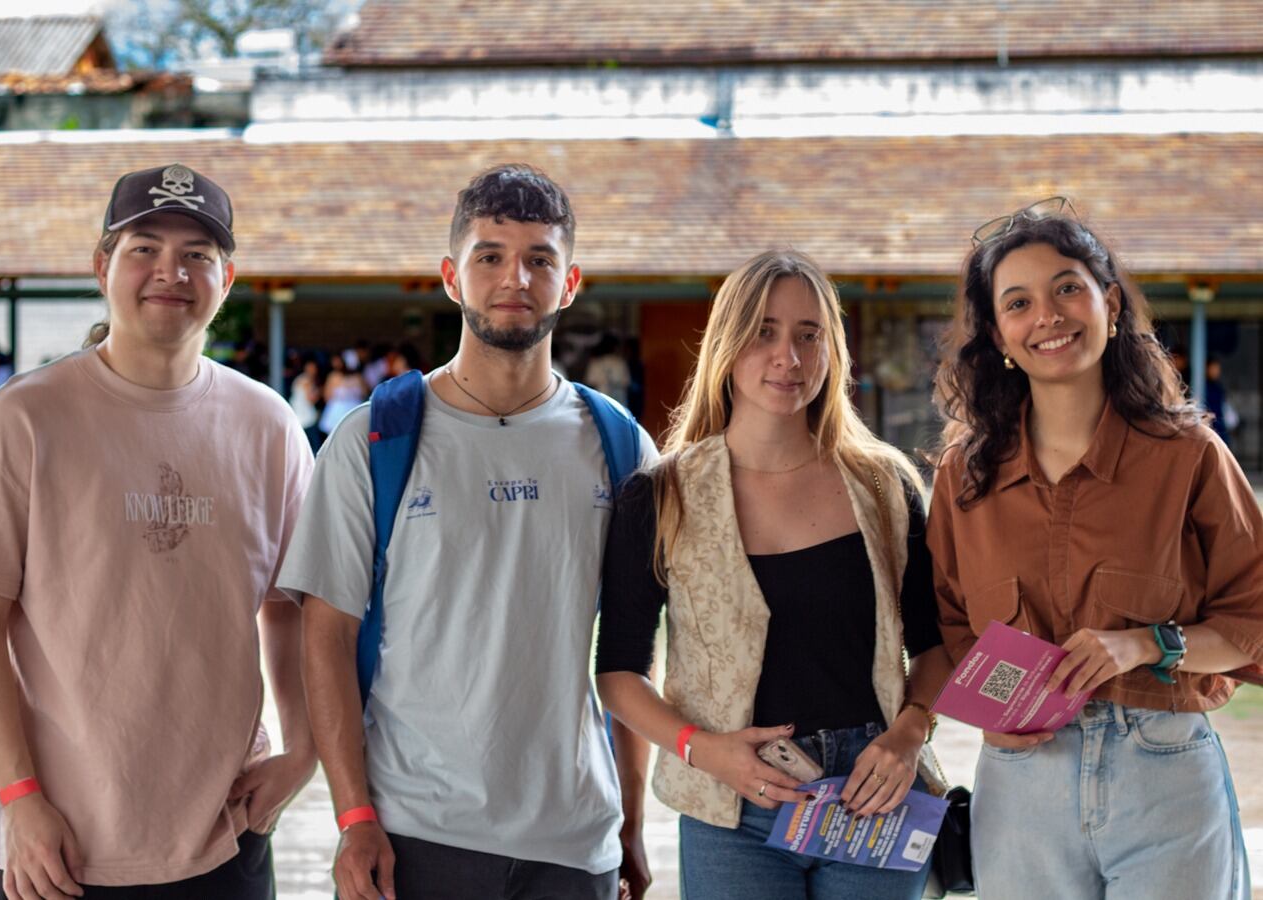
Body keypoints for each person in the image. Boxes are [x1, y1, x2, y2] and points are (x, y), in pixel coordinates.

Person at [0, 163, 317, 899]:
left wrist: (303, 750)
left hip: (224, 837)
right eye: (145, 247)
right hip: (58, 847)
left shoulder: (267, 426)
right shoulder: (23, 421)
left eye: (197, 255)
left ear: (225, 279)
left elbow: (290, 608)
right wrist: (18, 799)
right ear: (103, 266)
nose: (170, 272)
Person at [278, 164, 656, 900]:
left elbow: (630, 654)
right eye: (490, 256)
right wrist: (354, 816)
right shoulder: (373, 441)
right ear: (452, 277)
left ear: (569, 282)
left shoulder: (619, 445)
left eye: (539, 259)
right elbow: (323, 636)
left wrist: (631, 824)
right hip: (416, 829)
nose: (514, 277)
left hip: (574, 839)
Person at [930, 198, 1261, 899]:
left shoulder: (1190, 458)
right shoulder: (963, 478)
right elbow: (949, 626)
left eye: (1068, 289)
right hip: (1019, 784)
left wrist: (1148, 644)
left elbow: (1253, 620)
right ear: (998, 336)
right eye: (1018, 303)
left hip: (1164, 771)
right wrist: (995, 710)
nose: (1047, 316)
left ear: (1109, 304)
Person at [597, 249, 952, 900]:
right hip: (736, 807)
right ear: (727, 344)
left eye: (808, 334)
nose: (787, 356)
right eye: (764, 331)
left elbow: (934, 645)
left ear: (831, 350)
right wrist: (700, 748)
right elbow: (618, 670)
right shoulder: (661, 494)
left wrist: (909, 734)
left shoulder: (884, 484)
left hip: (874, 794)